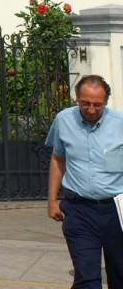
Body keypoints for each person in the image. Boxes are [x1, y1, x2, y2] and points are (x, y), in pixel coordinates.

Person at [46, 74, 123, 289]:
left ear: (106, 102)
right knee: (86, 278)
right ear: (76, 99)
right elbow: (58, 158)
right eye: (85, 103)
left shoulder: (120, 124)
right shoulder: (63, 120)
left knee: (119, 274)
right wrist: (52, 200)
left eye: (97, 105)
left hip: (116, 210)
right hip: (79, 209)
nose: (91, 109)